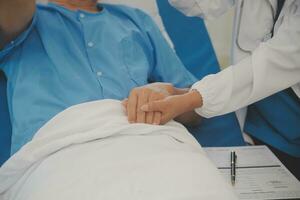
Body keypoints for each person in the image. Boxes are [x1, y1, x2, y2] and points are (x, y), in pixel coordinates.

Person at [124, 0, 300, 179]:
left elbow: (277, 61)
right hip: (260, 122)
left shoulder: (137, 23)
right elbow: (197, 5)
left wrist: (188, 99)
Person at [0, 0, 201, 155]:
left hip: (148, 141)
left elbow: (199, 107)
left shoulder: (137, 20)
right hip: (57, 152)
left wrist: (171, 94)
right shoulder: (22, 22)